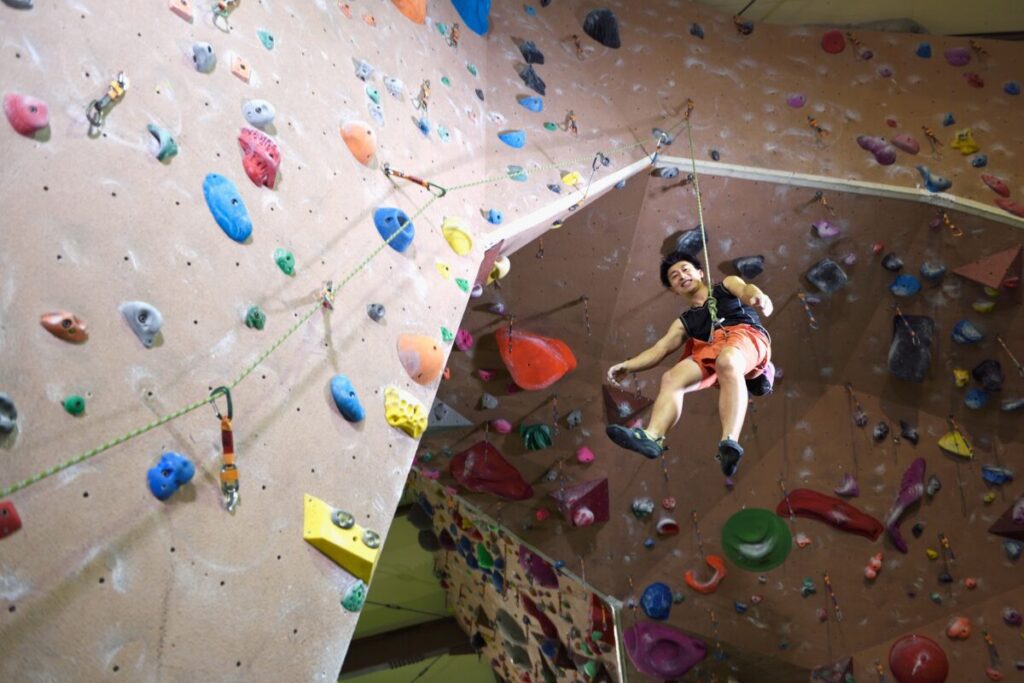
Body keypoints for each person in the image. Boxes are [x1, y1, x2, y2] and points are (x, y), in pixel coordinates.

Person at [605, 250, 775, 477]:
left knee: (727, 360)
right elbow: (661, 349)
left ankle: (730, 442)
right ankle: (652, 437)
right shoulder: (685, 322)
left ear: (700, 272)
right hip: (715, 348)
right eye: (674, 276)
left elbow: (745, 290)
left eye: (685, 269)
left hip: (746, 336)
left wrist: (758, 297)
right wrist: (628, 365)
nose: (681, 275)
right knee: (672, 377)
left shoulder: (725, 286)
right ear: (674, 290)